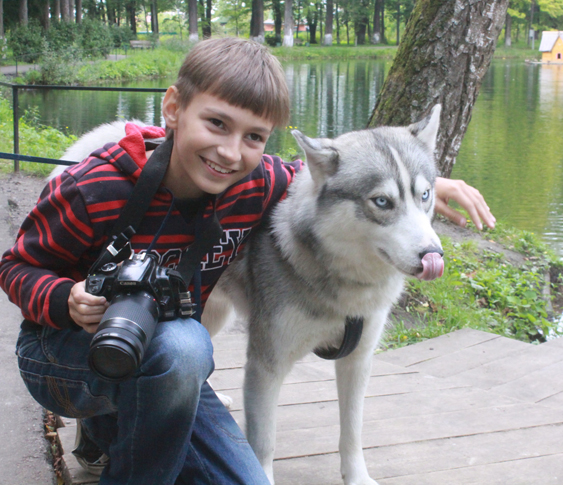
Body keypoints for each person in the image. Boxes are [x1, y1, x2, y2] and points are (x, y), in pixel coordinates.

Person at [0, 38, 494, 484]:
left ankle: (110, 430)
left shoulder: (257, 183)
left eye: (254, 137)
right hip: (60, 355)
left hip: (159, 361)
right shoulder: (95, 189)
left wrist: (421, 181)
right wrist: (66, 297)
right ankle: (112, 436)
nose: (230, 152)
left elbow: (331, 175)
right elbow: (15, 267)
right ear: (173, 107)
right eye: (217, 123)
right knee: (185, 344)